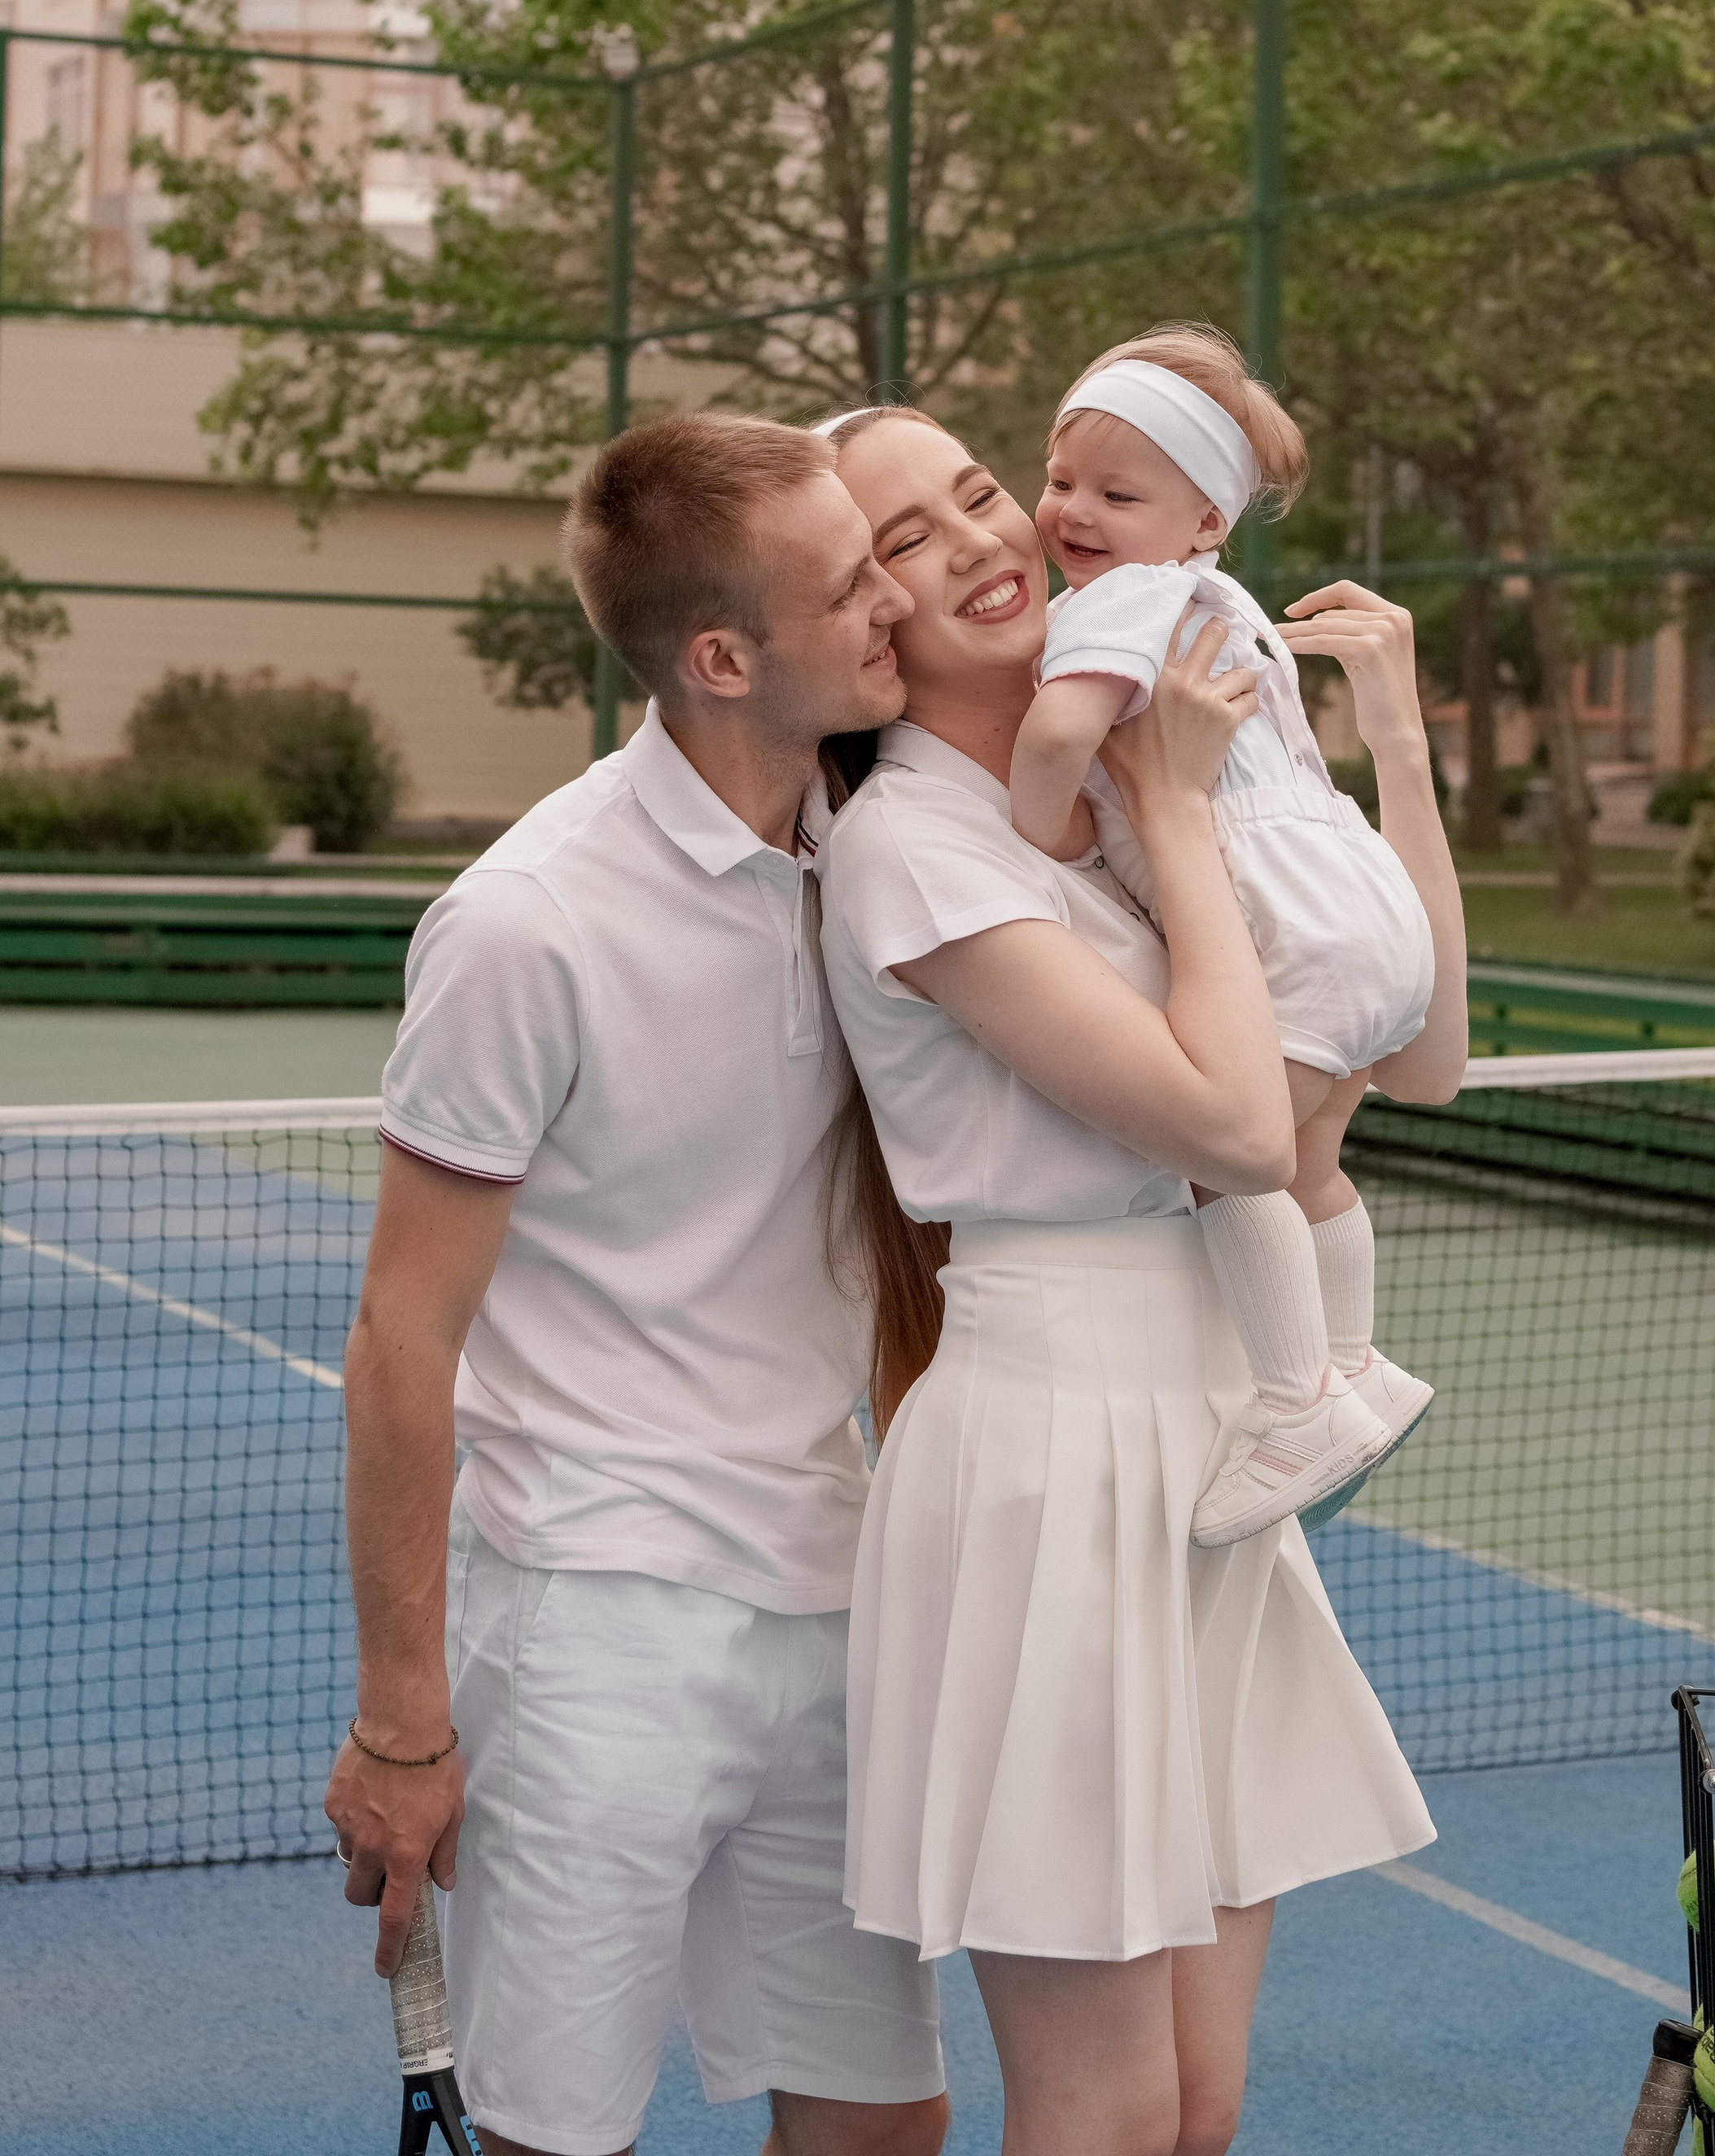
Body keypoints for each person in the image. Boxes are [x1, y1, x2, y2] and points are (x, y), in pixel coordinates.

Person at [811, 405, 1467, 2156]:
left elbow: (1421, 1064)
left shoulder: (1110, 786)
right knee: (1099, 2110)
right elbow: (1239, 1132)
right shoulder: (915, 850)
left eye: (973, 490)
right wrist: (1172, 805)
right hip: (1051, 1458)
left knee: (1196, 2107)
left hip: (1203, 1438)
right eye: (900, 538)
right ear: (857, 613)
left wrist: (1386, 748)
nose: (972, 538)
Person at [324, 413, 948, 2156]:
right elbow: (401, 1338)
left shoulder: (876, 849)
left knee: (885, 2122)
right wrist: (398, 1725)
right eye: (850, 583)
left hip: (830, 1591)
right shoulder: (523, 924)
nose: (894, 597)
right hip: (594, 1620)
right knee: (552, 2139)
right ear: (722, 655)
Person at [1007, 324, 1437, 1546]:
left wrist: (1038, 842)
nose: (1073, 511)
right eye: (1061, 478)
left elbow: (1051, 745)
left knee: (1222, 1155)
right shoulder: (1225, 601)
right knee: (1308, 1159)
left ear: (1204, 521)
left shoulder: (1123, 604)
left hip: (1289, 926)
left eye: (1118, 493)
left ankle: (1299, 1398)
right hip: (1367, 907)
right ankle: (1354, 1364)